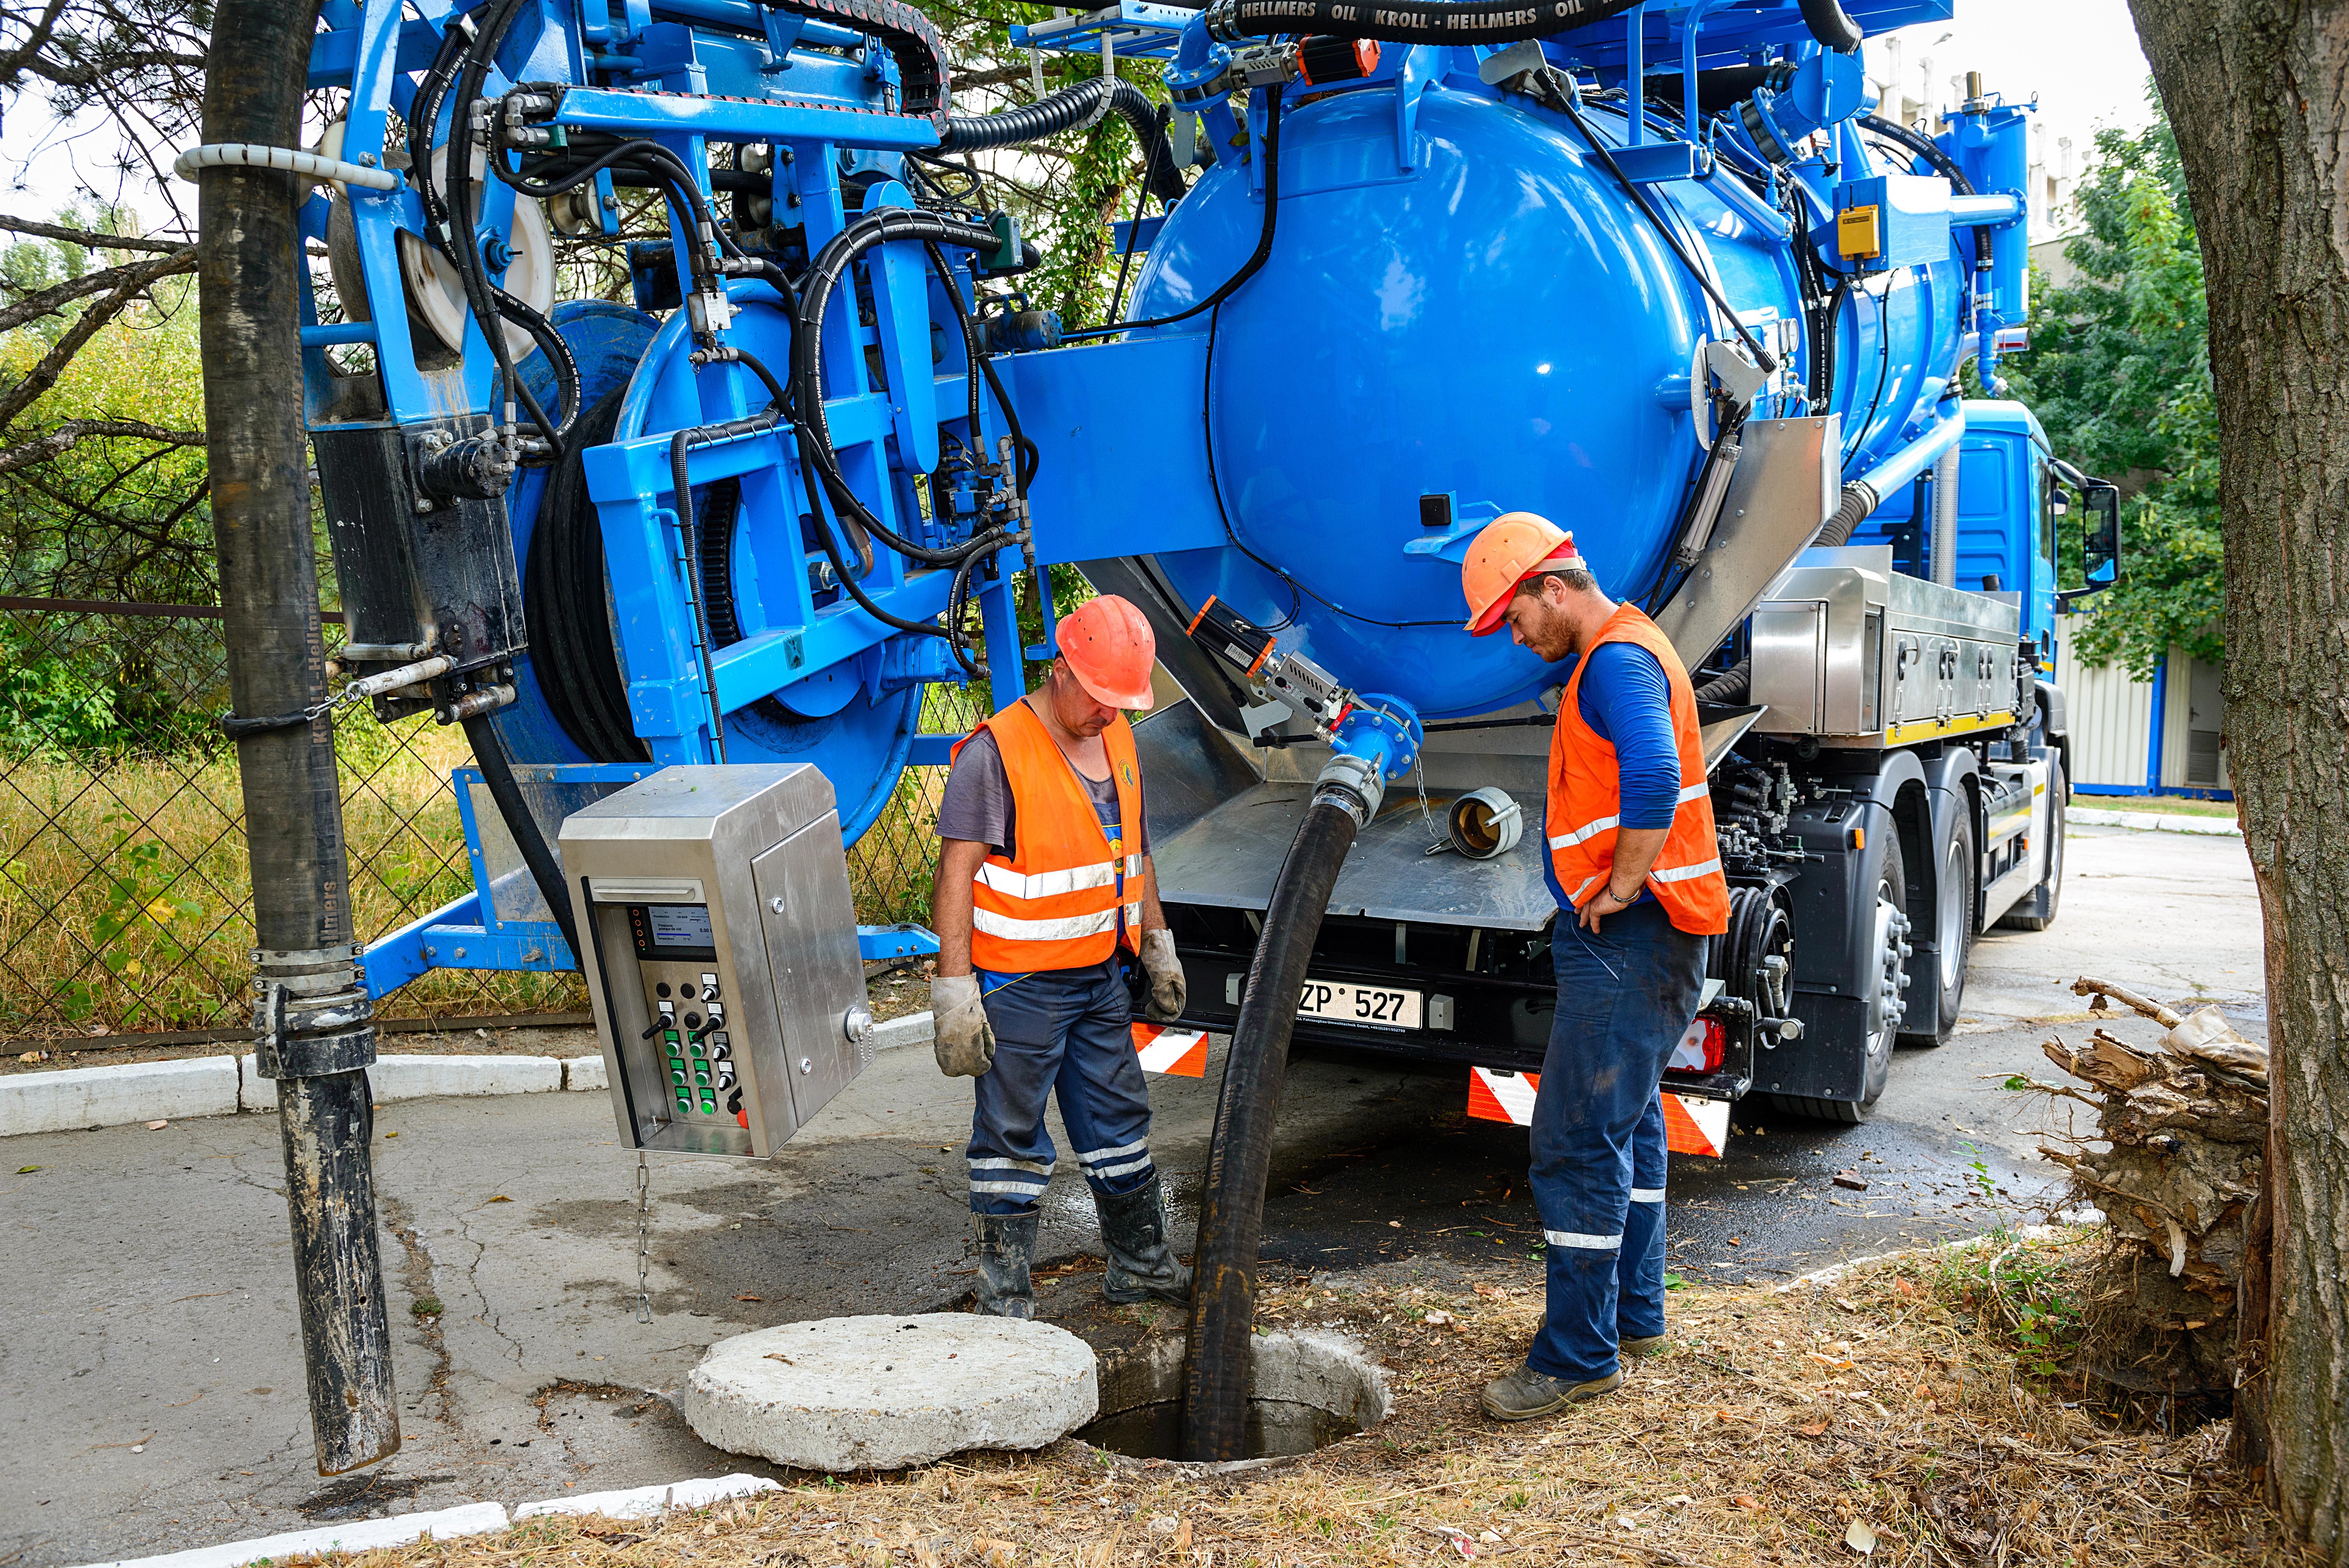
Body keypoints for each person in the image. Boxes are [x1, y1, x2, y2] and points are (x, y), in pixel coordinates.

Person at [1457, 512, 1729, 1419]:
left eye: (1516, 614)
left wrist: (1617, 886)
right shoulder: (1625, 649)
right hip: (1655, 934)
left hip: (1632, 933)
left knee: (1574, 1137)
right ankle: (1632, 1314)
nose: (1515, 634)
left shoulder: (1613, 661)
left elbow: (1651, 775)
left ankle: (1576, 1355)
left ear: (1554, 587)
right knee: (1629, 1124)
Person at [928, 593, 1193, 1319]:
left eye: (1122, 702)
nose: (1112, 714)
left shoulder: (1120, 740)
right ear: (1062, 669)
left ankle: (1140, 1265)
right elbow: (955, 872)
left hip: (1101, 975)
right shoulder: (995, 754)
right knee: (1011, 1137)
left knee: (1118, 1122)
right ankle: (1006, 1300)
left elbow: (1131, 852)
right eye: (1103, 698)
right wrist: (956, 991)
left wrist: (1157, 942)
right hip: (1021, 987)